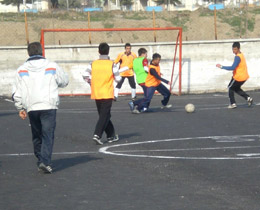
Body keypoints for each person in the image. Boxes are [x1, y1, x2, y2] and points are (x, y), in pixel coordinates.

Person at [12, 42, 69, 173]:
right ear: (42, 51)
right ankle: (45, 161)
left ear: (28, 53)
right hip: (48, 105)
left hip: (32, 106)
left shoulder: (21, 69)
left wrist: (20, 108)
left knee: (37, 135)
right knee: (48, 134)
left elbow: (17, 91)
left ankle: (40, 159)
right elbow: (64, 81)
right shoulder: (52, 66)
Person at [82, 42, 121, 145]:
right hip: (107, 92)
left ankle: (111, 135)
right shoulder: (112, 64)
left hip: (97, 92)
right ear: (108, 51)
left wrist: (91, 82)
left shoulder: (93, 63)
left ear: (98, 51)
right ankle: (97, 134)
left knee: (105, 114)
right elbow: (118, 78)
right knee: (104, 115)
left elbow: (85, 75)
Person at [216, 42, 253, 109]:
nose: (234, 51)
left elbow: (232, 67)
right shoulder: (241, 55)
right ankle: (248, 98)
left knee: (230, 88)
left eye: (235, 49)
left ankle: (233, 103)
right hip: (244, 77)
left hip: (238, 77)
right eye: (233, 49)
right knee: (236, 88)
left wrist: (222, 67)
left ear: (239, 49)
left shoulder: (237, 57)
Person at [128, 48, 149, 112]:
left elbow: (128, 67)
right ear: (143, 54)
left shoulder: (135, 60)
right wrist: (153, 73)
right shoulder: (144, 59)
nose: (146, 55)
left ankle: (144, 107)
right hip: (145, 79)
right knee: (148, 96)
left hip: (139, 79)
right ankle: (135, 104)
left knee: (147, 95)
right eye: (146, 54)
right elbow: (146, 68)